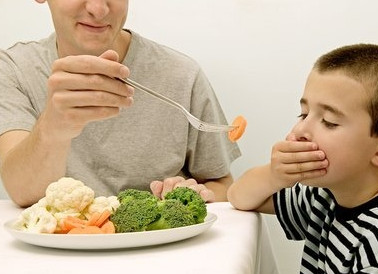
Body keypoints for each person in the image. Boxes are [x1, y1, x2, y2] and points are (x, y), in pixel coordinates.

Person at [228, 44, 378, 273]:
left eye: (329, 121)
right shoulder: (326, 193)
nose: (297, 132)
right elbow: (240, 197)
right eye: (304, 114)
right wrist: (273, 176)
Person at [0, 0, 241, 207]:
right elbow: (21, 191)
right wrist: (53, 128)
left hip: (162, 252)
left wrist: (196, 196)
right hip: (55, 256)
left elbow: (222, 186)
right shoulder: (14, 70)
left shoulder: (182, 75)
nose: (98, 9)